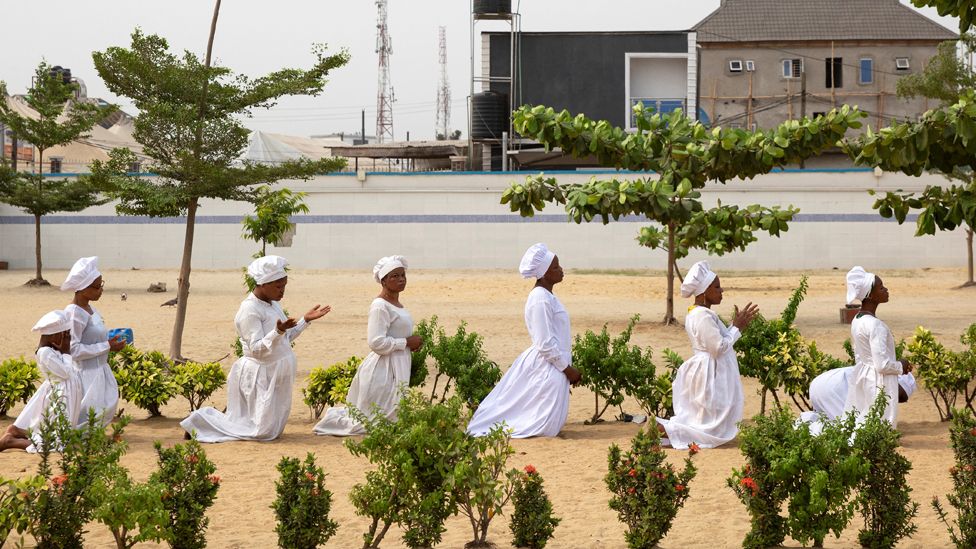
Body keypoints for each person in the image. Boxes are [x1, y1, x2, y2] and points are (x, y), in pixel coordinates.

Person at [182, 256, 330, 442]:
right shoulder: (249, 310)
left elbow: (286, 338)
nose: (282, 290)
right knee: (261, 432)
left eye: (284, 285)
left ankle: (201, 424)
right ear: (262, 284)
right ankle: (198, 421)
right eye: (278, 286)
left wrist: (304, 321)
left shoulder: (273, 304)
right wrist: (277, 331)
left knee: (270, 431)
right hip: (261, 373)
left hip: (275, 373)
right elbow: (257, 349)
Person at [467, 243, 581, 439]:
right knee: (540, 425)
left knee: (547, 423)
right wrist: (567, 369)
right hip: (548, 366)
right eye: (555, 267)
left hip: (554, 366)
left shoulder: (547, 296)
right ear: (544, 273)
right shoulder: (540, 299)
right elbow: (545, 343)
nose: (561, 270)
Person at [314, 255, 422, 436]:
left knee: (392, 418)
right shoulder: (380, 306)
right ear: (384, 281)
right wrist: (406, 343)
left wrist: (409, 345)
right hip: (384, 368)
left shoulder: (396, 304)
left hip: (397, 364)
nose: (401, 279)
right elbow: (375, 342)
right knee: (374, 424)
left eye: (402, 275)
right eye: (394, 276)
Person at [656, 260, 759, 449]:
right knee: (708, 426)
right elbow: (717, 347)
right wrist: (737, 327)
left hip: (710, 368)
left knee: (708, 421)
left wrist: (734, 326)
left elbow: (719, 340)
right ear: (704, 291)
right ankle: (663, 429)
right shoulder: (702, 315)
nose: (722, 291)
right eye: (717, 287)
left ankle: (667, 432)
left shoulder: (702, 313)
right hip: (709, 371)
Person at [0, 310, 82, 452]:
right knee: (57, 445)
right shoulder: (45, 353)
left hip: (66, 392)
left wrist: (64, 351)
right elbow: (65, 373)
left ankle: (18, 431)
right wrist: (66, 351)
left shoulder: (53, 350)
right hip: (62, 394)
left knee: (60, 436)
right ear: (54, 336)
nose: (68, 339)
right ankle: (10, 441)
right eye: (65, 334)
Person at [842, 266, 913, 427]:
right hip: (878, 382)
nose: (886, 290)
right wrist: (901, 365)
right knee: (880, 425)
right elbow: (882, 365)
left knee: (863, 419)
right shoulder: (876, 325)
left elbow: (861, 355)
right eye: (881, 287)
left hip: (862, 376)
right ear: (871, 295)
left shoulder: (857, 320)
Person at [62, 256, 126, 427]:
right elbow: (73, 350)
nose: (101, 290)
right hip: (86, 377)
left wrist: (111, 342)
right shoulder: (75, 313)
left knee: (100, 415)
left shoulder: (90, 309)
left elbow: (92, 336)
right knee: (85, 422)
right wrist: (107, 346)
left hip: (99, 372)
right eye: (97, 287)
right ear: (82, 289)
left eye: (102, 285)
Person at [798, 366, 916, 434]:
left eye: (901, 400)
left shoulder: (879, 374)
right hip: (834, 389)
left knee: (828, 423)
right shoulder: (880, 382)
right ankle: (800, 427)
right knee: (846, 431)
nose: (897, 400)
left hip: (821, 384)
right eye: (900, 395)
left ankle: (801, 427)